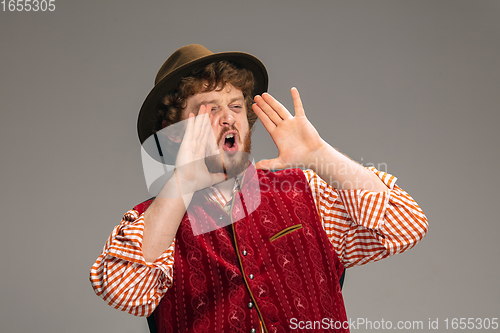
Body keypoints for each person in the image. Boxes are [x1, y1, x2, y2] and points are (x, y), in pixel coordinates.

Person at [90, 44, 428, 333]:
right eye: (209, 109)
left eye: (235, 106)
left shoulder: (306, 191)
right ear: (174, 131)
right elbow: (125, 291)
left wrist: (320, 156)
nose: (228, 118)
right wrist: (183, 180)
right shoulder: (151, 222)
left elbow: (406, 224)